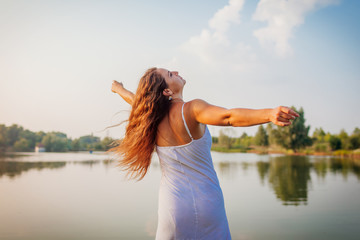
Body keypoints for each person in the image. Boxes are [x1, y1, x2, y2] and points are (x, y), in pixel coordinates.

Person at [110, 67, 299, 240]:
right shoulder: (192, 109)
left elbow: (135, 100)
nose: (175, 71)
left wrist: (118, 89)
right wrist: (269, 114)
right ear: (167, 92)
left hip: (172, 206)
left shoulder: (151, 115)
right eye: (170, 74)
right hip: (207, 203)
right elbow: (229, 117)